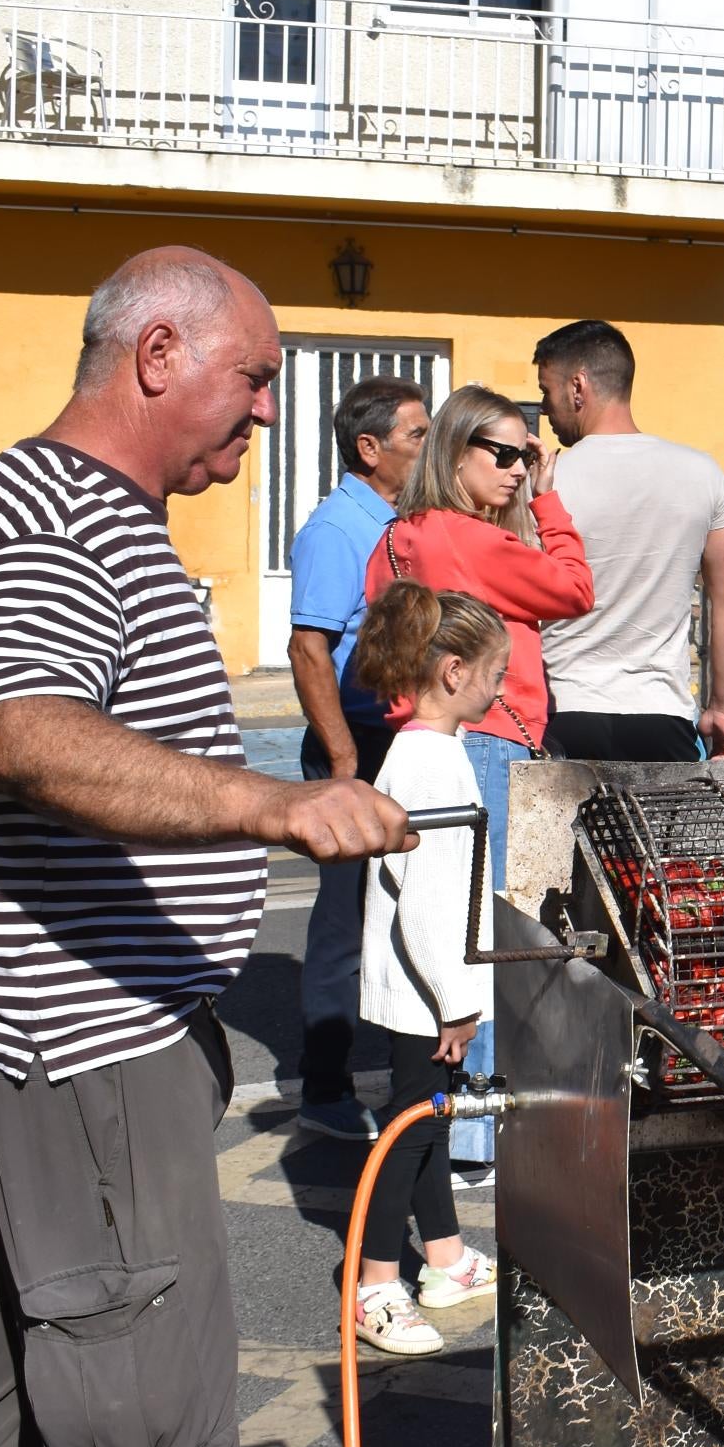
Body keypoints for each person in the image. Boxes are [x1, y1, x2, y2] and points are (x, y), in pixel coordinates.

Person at [0, 247, 407, 1447]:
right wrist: (272, 804)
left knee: (33, 1403)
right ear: (157, 354)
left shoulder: (58, 506)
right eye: (252, 379)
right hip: (92, 1055)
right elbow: (26, 732)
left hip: (75, 1056)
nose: (264, 413)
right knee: (145, 1430)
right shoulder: (60, 518)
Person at [368, 385, 594, 1177]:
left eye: (526, 454)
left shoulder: (398, 536)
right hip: (494, 739)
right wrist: (550, 503)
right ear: (454, 450)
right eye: (501, 452)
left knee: (440, 922)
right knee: (490, 936)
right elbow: (574, 589)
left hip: (423, 736)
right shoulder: (469, 538)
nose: (519, 467)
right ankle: (473, 1134)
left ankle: (445, 1115)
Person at [347, 581, 510, 1353]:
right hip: (427, 991)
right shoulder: (430, 763)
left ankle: (443, 1259)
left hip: (426, 987)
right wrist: (455, 1002)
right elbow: (427, 902)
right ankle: (376, 1284)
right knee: (411, 1131)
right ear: (454, 672)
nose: (501, 689)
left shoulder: (429, 751)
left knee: (431, 1122)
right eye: (495, 673)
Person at [284, 372, 432, 1143]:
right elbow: (308, 649)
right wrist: (343, 761)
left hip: (400, 737)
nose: (430, 447)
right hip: (357, 744)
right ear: (369, 448)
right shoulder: (338, 530)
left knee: (407, 906)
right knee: (345, 920)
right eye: (418, 435)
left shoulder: (405, 523)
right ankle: (324, 1089)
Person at [531, 319, 724, 763]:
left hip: (561, 710)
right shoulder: (703, 473)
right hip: (662, 715)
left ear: (578, 387)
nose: (544, 408)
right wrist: (721, 709)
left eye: (546, 390)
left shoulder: (541, 484)